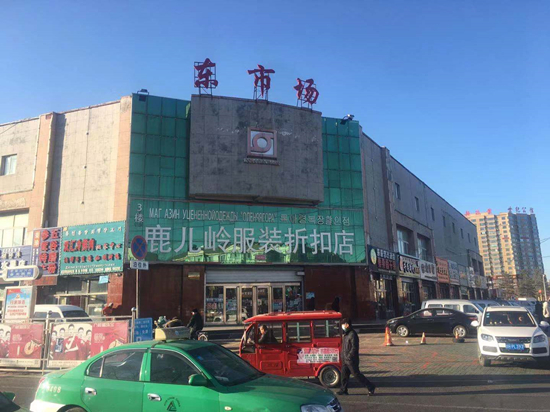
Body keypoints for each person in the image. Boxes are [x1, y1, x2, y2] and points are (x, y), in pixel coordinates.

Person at [338, 318, 376, 396]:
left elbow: (354, 348)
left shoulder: (352, 334)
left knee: (357, 375)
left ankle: (370, 386)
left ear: (347, 325)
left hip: (351, 360)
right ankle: (343, 390)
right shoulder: (346, 334)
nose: (342, 326)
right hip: (345, 359)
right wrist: (343, 356)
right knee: (344, 375)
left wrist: (349, 356)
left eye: (343, 324)